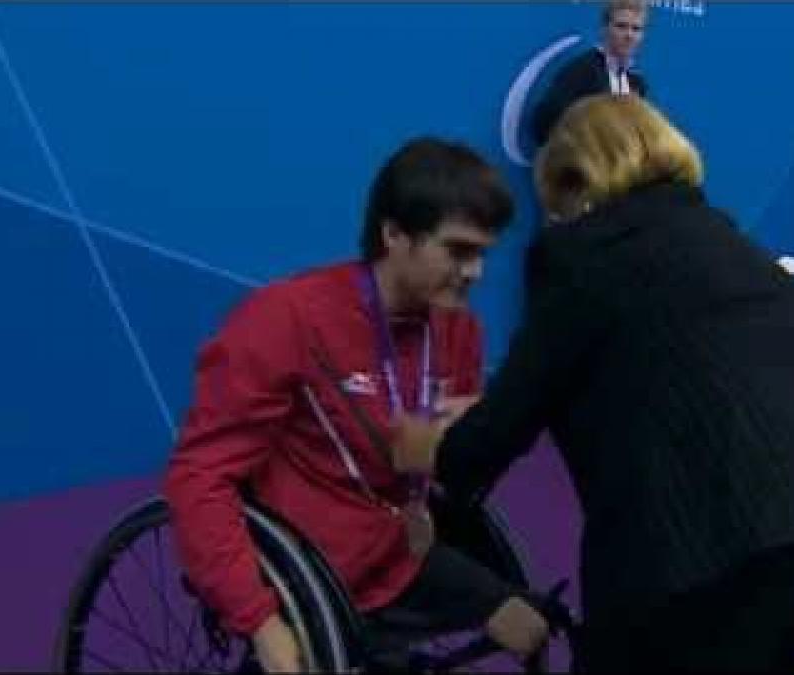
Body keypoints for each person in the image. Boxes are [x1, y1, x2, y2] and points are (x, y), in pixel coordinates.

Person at [395, 95, 794, 672]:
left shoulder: (581, 255)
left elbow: (502, 425)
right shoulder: (725, 239)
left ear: (573, 179)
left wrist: (431, 449)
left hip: (711, 549)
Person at [163, 137, 550, 673]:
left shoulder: (459, 329)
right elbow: (199, 477)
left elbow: (441, 466)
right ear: (394, 235)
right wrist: (259, 622)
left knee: (529, 626)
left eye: (483, 254)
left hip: (400, 553)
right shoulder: (285, 318)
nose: (476, 273)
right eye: (458, 251)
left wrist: (456, 443)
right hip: (311, 570)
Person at [530, 0, 650, 147]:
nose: (629, 35)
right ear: (604, 29)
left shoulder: (637, 83)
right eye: (621, 26)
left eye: (636, 29)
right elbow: (543, 121)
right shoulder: (581, 71)